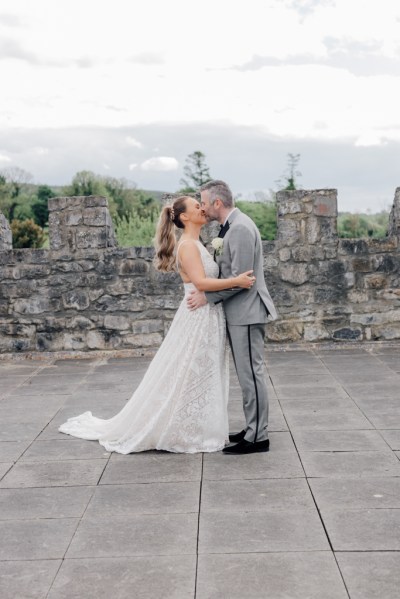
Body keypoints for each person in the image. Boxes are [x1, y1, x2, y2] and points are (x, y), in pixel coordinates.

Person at [58, 195, 255, 454]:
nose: (203, 208)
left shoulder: (197, 242)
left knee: (200, 371)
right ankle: (182, 430)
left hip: (208, 315)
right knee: (189, 370)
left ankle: (199, 426)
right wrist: (236, 281)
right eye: (197, 206)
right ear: (184, 217)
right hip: (198, 318)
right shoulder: (187, 246)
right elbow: (201, 284)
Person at [187, 180, 277, 455]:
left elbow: (242, 280)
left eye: (203, 201)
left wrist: (207, 297)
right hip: (239, 313)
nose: (201, 207)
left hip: (247, 313)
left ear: (217, 202)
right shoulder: (230, 227)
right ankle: (252, 427)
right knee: (246, 374)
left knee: (252, 374)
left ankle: (258, 436)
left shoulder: (239, 228)